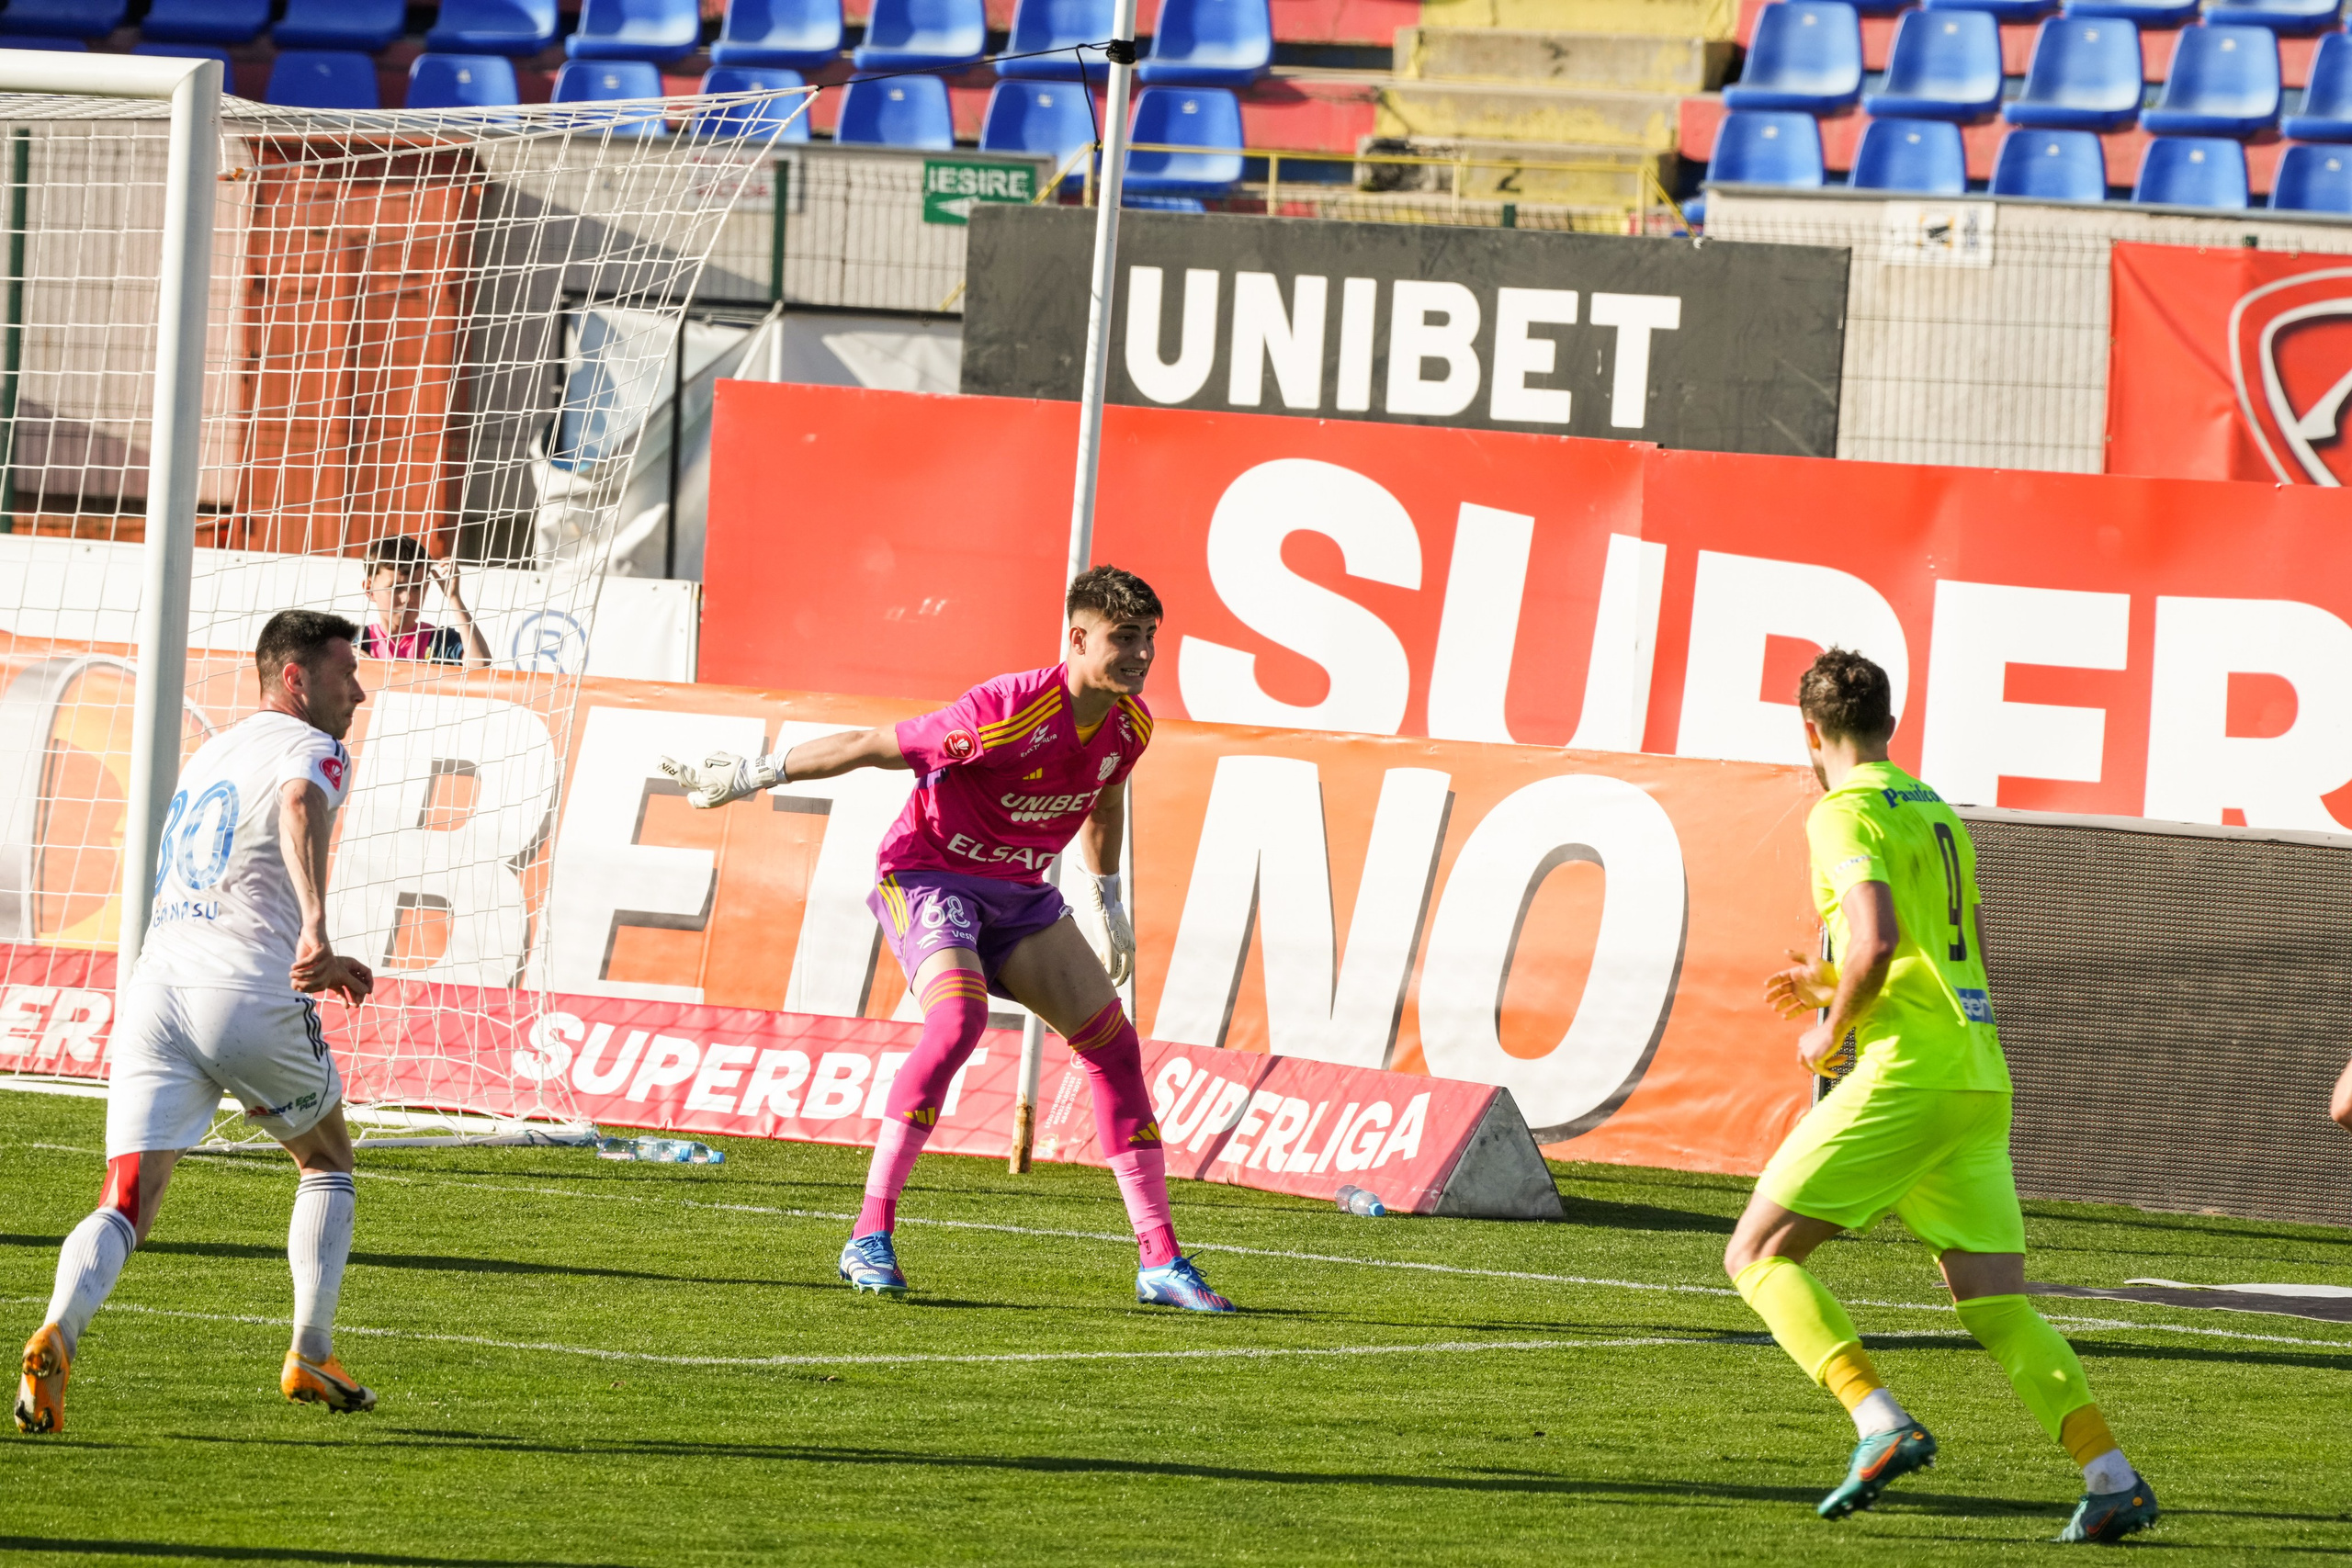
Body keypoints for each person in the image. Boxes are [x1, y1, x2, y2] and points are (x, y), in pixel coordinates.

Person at [661, 565, 1233, 1313]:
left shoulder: (1131, 725)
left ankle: (1159, 1259)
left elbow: (1105, 796)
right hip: (929, 878)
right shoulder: (1005, 710)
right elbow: (873, 743)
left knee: (1114, 1048)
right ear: (1079, 637)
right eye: (1125, 638)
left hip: (1022, 897)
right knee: (957, 1022)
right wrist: (754, 771)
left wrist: (1107, 893)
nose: (1141, 654)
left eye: (1149, 639)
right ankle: (868, 1234)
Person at [1724, 648, 2156, 1543]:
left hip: (1905, 1074)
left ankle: (1878, 1422)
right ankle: (2109, 1474)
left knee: (1757, 1254)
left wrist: (1830, 1029)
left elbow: (1879, 942)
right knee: (1996, 1303)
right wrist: (1831, 979)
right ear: (1891, 721)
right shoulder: (1934, 811)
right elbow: (1956, 953)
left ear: (1809, 731)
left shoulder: (1839, 814)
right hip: (1975, 1073)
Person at [17, 610, 378, 1436]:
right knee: (326, 1156)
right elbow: (297, 805)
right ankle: (312, 1349)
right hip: (243, 989)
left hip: (156, 988)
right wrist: (317, 930)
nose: (356, 691)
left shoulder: (211, 751)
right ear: (295, 679)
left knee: (128, 1193)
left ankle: (57, 1330)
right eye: (342, 673)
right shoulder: (313, 750)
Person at [356, 534, 491, 669]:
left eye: (417, 587)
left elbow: (479, 663)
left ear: (426, 587)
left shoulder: (439, 641)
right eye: (396, 587)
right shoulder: (357, 642)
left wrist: (454, 598)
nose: (408, 598)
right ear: (370, 589)